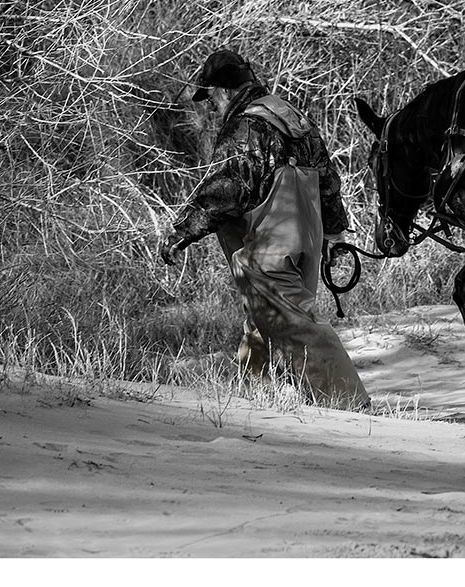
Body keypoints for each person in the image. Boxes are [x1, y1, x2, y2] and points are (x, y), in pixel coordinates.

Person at [158, 49, 370, 409]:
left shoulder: (246, 126)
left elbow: (224, 191)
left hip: (271, 240)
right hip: (306, 238)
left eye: (210, 99)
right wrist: (334, 234)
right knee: (262, 317)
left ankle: (351, 405)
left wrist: (181, 232)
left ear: (222, 90)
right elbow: (328, 179)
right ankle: (252, 402)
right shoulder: (289, 115)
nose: (212, 108)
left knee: (291, 322)